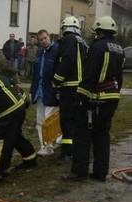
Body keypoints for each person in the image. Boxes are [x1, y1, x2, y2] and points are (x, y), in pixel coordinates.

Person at [64, 16, 125, 181]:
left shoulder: (97, 47)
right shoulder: (119, 48)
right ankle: (100, 172)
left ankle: (79, 172)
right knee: (102, 134)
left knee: (82, 134)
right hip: (112, 97)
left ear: (99, 31)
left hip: (95, 98)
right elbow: (119, 77)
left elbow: (89, 75)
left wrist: (80, 97)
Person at [53, 16, 88, 160]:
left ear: (64, 28)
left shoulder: (68, 40)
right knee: (78, 120)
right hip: (81, 88)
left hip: (69, 87)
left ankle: (68, 152)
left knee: (67, 121)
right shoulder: (83, 42)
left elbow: (67, 61)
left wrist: (56, 79)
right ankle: (76, 150)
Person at [30, 29, 60, 156]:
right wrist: (32, 90)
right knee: (40, 120)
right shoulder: (39, 52)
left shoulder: (57, 51)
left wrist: (57, 87)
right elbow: (35, 74)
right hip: (39, 91)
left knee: (50, 119)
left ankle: (50, 145)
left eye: (45, 38)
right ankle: (44, 145)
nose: (43, 41)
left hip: (51, 91)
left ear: (49, 37)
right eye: (41, 39)